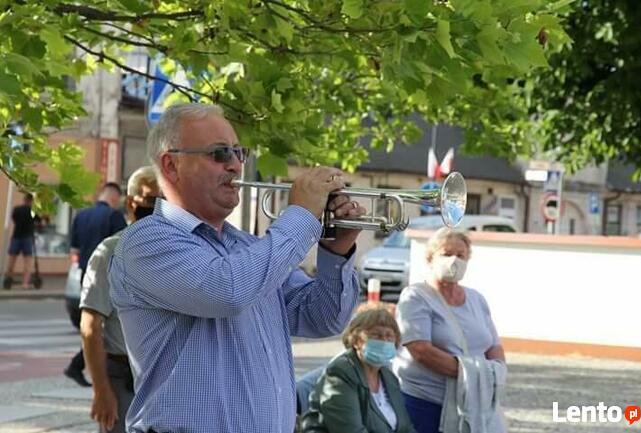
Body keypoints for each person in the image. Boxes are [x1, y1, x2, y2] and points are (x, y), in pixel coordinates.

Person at [108, 103, 366, 433]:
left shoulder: (248, 248)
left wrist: (337, 249)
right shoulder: (145, 242)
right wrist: (300, 216)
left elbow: (323, 318)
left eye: (238, 152)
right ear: (171, 165)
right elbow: (227, 291)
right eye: (219, 154)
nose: (235, 165)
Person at [392, 228, 505, 433]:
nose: (454, 260)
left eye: (460, 255)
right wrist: (472, 374)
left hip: (473, 403)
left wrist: (495, 371)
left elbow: (494, 346)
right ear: (430, 258)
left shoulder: (477, 299)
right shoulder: (415, 297)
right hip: (426, 403)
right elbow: (420, 350)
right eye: (446, 254)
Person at [80, 167, 159, 433]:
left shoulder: (174, 254)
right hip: (121, 378)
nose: (155, 208)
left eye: (161, 202)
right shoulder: (109, 253)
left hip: (162, 379)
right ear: (130, 203)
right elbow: (90, 327)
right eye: (148, 200)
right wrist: (101, 390)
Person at [302, 305, 417, 433]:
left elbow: (406, 427)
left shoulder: (389, 378)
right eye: (376, 336)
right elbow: (350, 430)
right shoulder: (340, 374)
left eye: (389, 336)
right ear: (356, 341)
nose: (384, 341)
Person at [65, 182, 127, 387]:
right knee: (107, 327)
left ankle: (76, 365)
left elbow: (73, 249)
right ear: (114, 199)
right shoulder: (114, 216)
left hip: (86, 274)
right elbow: (124, 247)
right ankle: (77, 366)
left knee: (92, 322)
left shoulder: (81, 215)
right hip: (109, 274)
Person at [3, 193, 39, 290]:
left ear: (24, 200)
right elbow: (39, 221)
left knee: (11, 260)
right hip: (27, 237)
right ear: (31, 201)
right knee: (27, 262)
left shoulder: (17, 209)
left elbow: (14, 219)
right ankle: (25, 284)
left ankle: (8, 280)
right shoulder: (33, 211)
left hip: (16, 236)